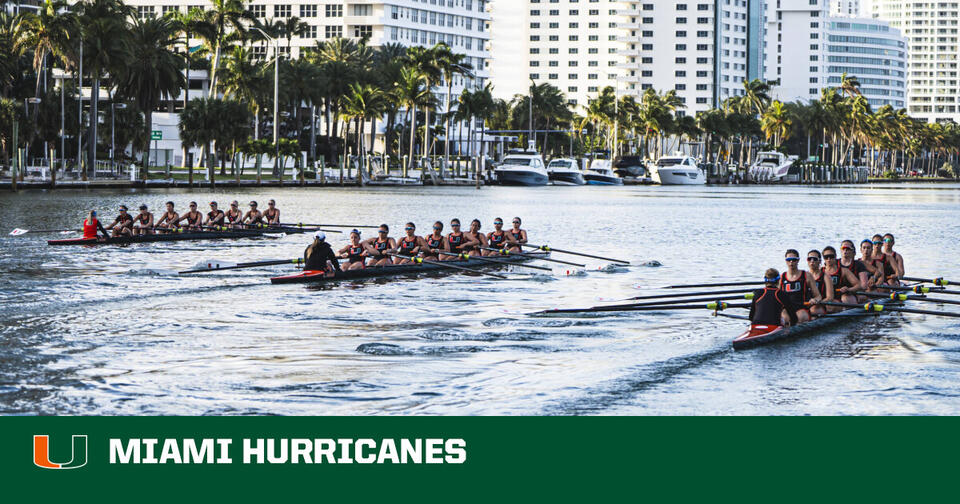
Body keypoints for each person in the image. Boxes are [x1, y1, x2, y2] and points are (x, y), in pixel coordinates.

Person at [779, 248, 823, 323]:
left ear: (798, 260)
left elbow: (818, 296)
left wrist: (815, 300)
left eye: (794, 260)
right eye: (789, 260)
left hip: (802, 308)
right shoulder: (782, 277)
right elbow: (777, 296)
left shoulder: (806, 275)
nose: (791, 262)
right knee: (784, 318)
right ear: (786, 261)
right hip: (787, 308)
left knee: (799, 318)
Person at [821, 245, 862, 311]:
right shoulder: (820, 272)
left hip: (840, 298)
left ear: (835, 257)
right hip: (825, 299)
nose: (829, 259)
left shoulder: (843, 271)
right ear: (823, 258)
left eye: (831, 257)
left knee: (844, 299)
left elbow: (859, 285)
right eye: (826, 257)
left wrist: (849, 289)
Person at [806, 250, 831, 316]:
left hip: (820, 304)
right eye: (809, 259)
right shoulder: (804, 276)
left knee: (813, 310)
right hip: (807, 304)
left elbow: (830, 297)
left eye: (814, 259)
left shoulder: (825, 276)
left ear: (819, 261)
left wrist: (818, 302)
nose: (812, 261)